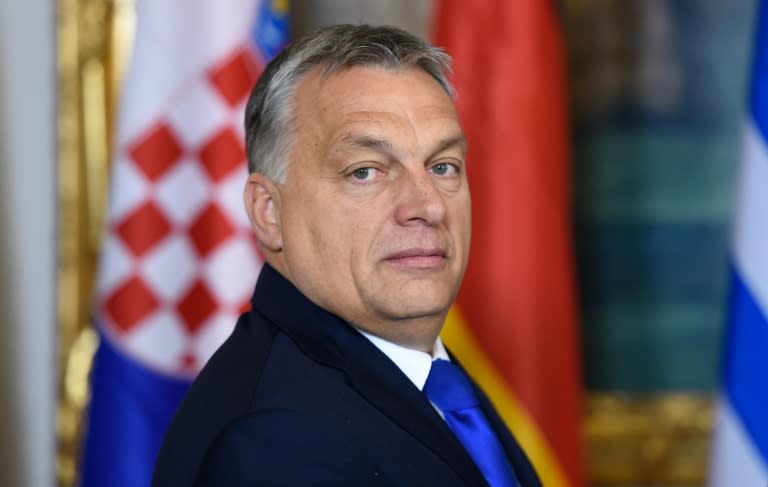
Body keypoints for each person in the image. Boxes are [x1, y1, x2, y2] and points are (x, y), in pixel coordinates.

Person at [152, 24, 541, 487]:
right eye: (366, 172)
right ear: (269, 211)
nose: (429, 205)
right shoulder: (273, 443)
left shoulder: (428, 376)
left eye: (443, 166)